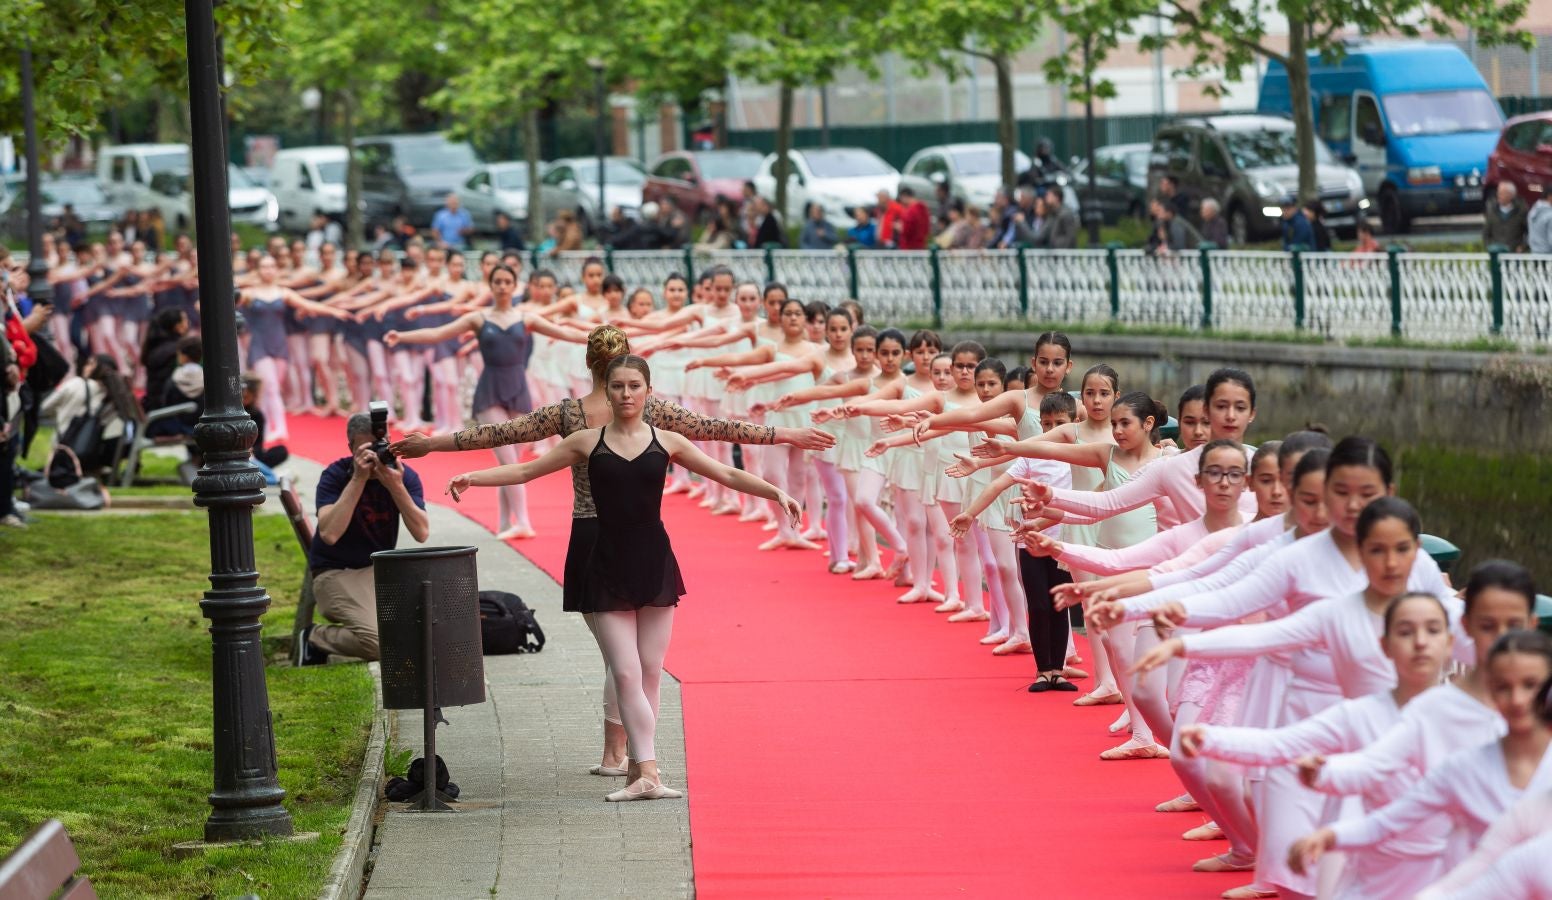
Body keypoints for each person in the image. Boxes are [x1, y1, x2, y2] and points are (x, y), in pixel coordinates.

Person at [447, 354, 800, 802]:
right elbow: (523, 470)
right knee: (627, 672)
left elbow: (726, 472)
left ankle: (641, 768)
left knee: (651, 671)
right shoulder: (585, 441)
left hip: (654, 560)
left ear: (649, 392)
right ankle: (648, 772)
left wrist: (777, 493)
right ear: (607, 391)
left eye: (635, 386)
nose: (627, 394)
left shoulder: (666, 439)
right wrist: (473, 477)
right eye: (618, 387)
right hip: (606, 563)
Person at [300, 412, 431, 663]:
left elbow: (421, 533)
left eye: (382, 447)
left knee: (419, 633)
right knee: (382, 645)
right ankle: (314, 637)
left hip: (378, 572)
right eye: (366, 449)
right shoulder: (336, 475)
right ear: (351, 447)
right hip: (336, 572)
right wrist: (358, 479)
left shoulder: (403, 476)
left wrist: (396, 486)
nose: (375, 455)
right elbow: (329, 534)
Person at [242, 373, 289, 485]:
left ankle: (268, 476)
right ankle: (274, 477)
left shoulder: (257, 415)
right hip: (236, 454)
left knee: (281, 450)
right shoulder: (229, 412)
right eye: (242, 396)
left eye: (246, 397)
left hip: (252, 455)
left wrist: (252, 450)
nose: (243, 400)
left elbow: (259, 444)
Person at [1482, 181, 1529, 252]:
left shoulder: (1521, 211)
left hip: (1514, 254)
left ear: (1511, 195)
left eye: (1502, 193)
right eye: (1498, 192)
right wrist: (1489, 246)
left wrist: (1523, 246)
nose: (1498, 195)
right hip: (1496, 253)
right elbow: (1486, 233)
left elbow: (1529, 232)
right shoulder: (1492, 211)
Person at [1528, 185, 1552, 254]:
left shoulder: (1533, 211)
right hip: (1548, 257)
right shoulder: (1550, 214)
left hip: (1534, 254)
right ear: (1550, 196)